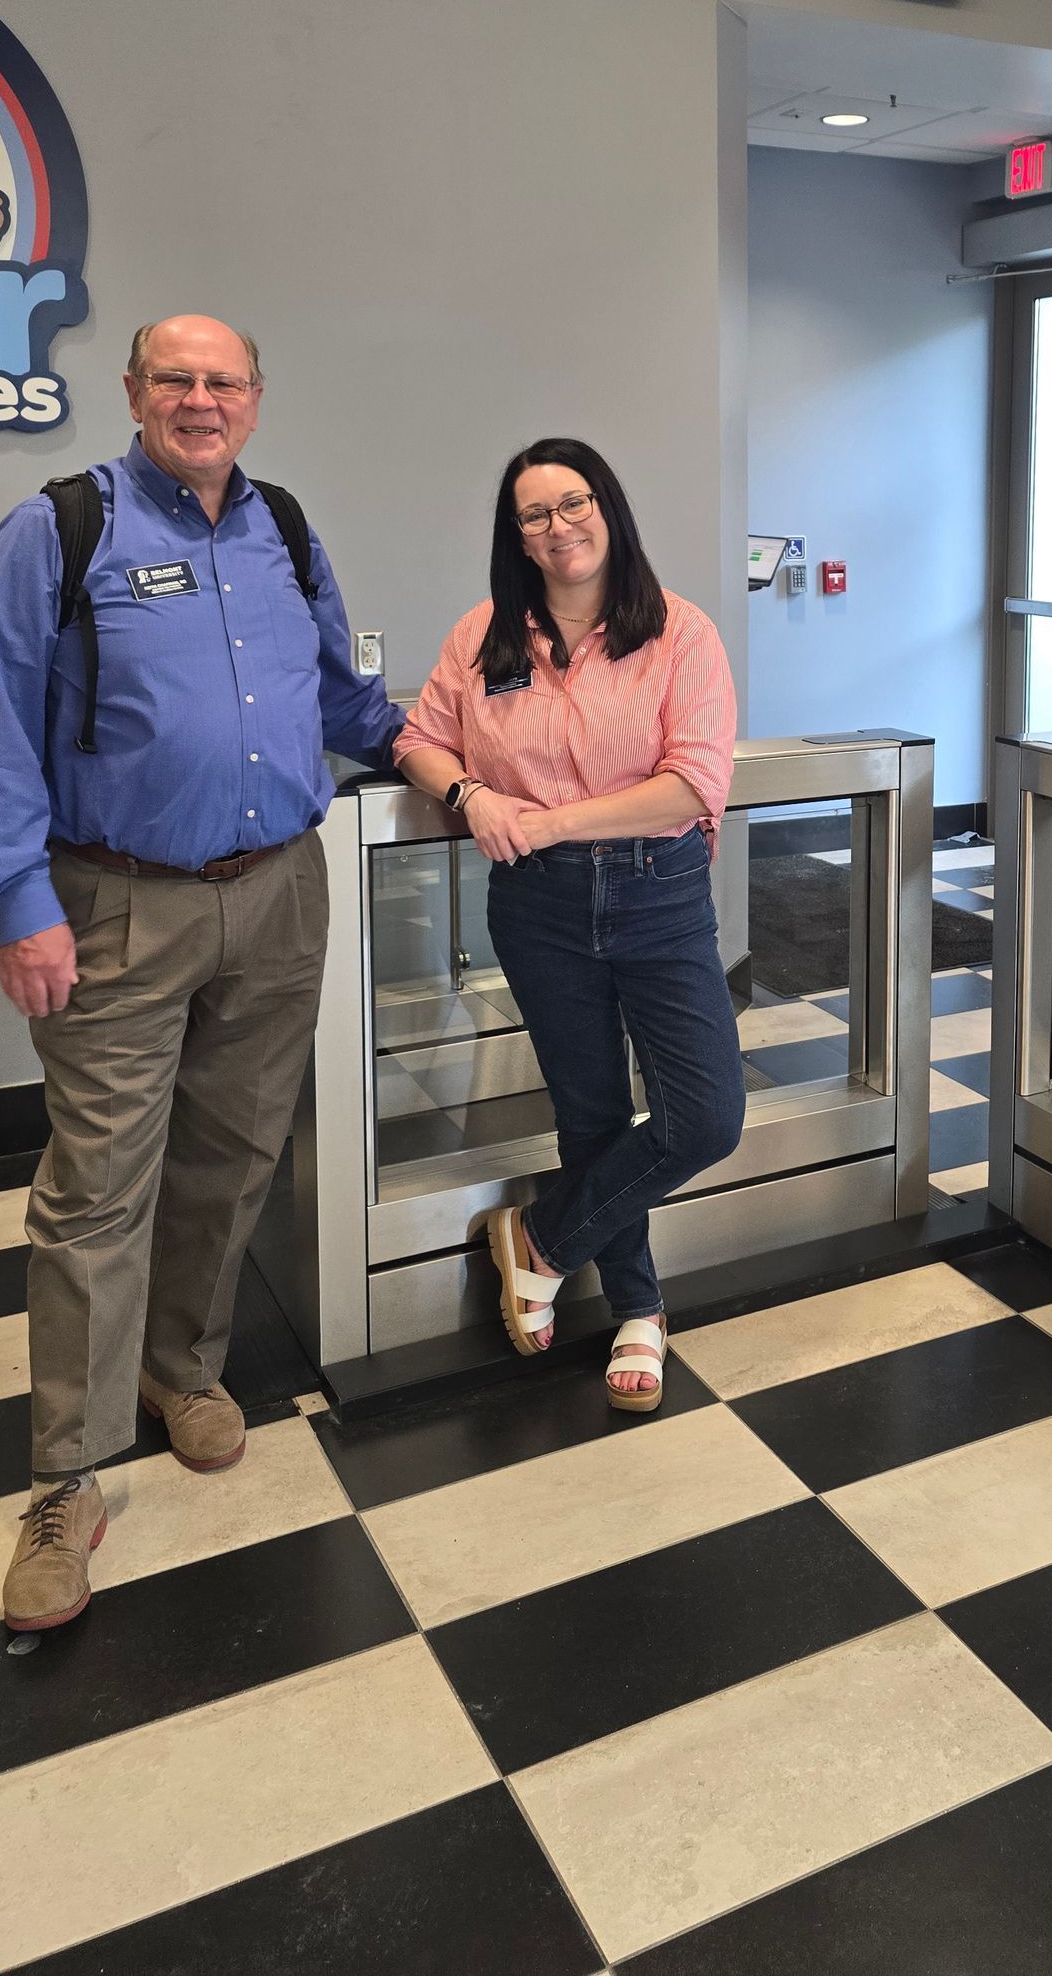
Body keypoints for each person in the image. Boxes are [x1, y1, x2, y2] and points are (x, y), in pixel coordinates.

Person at [0, 315, 404, 1631]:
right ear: (135, 392)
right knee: (97, 1187)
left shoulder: (285, 528)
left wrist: (452, 756)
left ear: (256, 398)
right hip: (113, 909)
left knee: (237, 1150)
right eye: (176, 380)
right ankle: (64, 1477)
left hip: (275, 894)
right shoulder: (59, 530)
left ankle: (181, 1369)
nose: (201, 402)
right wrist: (17, 903)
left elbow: (338, 698)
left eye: (224, 382)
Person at [396, 438, 742, 1411]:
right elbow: (419, 740)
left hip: (659, 893)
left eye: (574, 502)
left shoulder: (682, 632)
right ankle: (638, 1310)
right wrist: (468, 792)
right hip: (537, 906)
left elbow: (691, 782)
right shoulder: (485, 635)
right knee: (588, 1114)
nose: (559, 526)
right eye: (535, 514)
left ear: (609, 508)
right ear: (517, 536)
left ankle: (540, 1237)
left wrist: (543, 818)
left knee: (705, 1116)